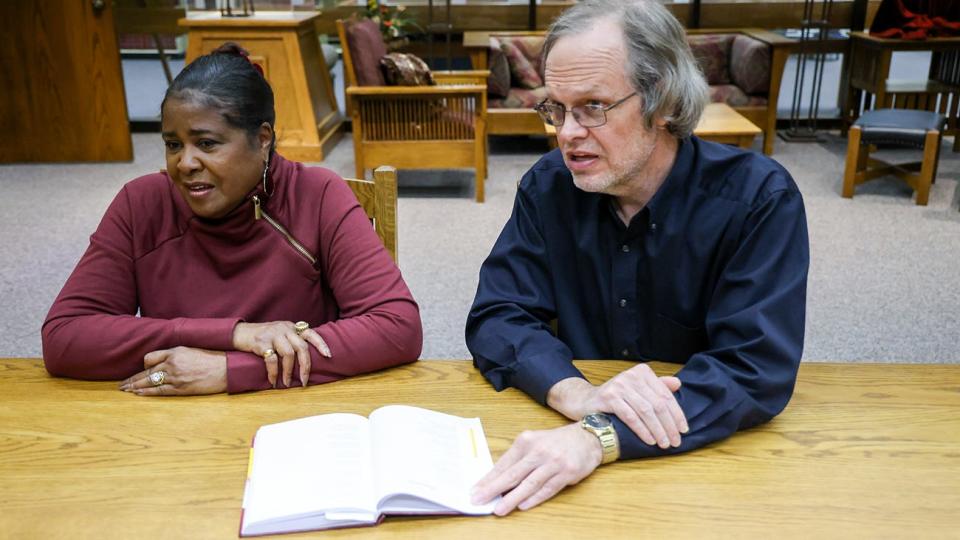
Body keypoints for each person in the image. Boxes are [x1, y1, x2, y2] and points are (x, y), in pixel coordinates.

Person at [466, 0, 809, 515]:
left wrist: (597, 436)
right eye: (556, 108)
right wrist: (577, 396)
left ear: (664, 102)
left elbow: (753, 368)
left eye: (593, 108)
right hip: (567, 455)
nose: (566, 133)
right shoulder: (549, 186)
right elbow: (498, 316)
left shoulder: (758, 198)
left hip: (711, 476)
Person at [42, 44, 422, 396]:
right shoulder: (141, 202)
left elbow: (396, 326)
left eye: (206, 144)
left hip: (299, 420)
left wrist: (231, 369)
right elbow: (65, 336)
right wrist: (234, 334)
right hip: (176, 429)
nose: (185, 163)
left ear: (262, 140)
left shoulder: (318, 194)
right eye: (173, 144)